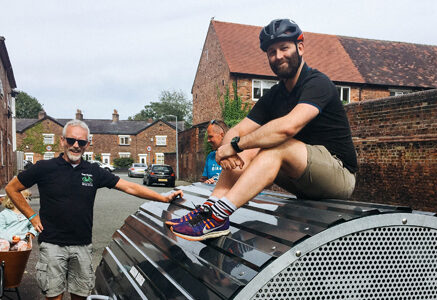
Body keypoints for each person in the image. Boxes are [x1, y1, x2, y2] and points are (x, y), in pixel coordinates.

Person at [167, 18, 358, 241]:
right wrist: (230, 148)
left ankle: (220, 214)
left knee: (276, 145)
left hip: (339, 175)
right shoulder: (274, 96)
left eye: (284, 48)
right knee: (248, 148)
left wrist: (235, 145)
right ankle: (209, 210)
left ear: (300, 47)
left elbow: (288, 128)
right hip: (303, 178)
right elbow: (238, 129)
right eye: (271, 52)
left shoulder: (317, 83)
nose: (278, 56)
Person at [5, 119, 183, 300]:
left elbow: (129, 187)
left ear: (87, 145)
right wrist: (32, 216)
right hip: (52, 244)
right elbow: (12, 188)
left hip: (82, 246)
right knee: (53, 296)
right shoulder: (44, 168)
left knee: (81, 296)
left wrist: (162, 197)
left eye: (81, 142)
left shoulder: (93, 171)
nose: (76, 146)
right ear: (62, 141)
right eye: (71, 140)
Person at [200, 119, 228, 184]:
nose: (208, 140)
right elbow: (203, 180)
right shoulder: (210, 156)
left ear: (222, 135)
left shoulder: (235, 156)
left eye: (210, 137)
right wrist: (206, 182)